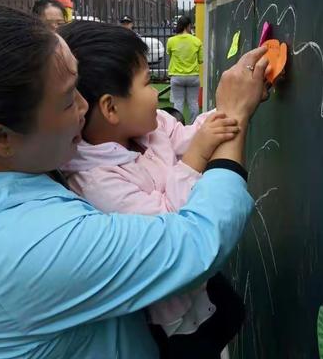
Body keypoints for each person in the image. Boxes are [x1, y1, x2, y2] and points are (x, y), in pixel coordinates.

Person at [0, 4, 268, 358]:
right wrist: (235, 114)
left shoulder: (15, 181)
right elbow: (195, 243)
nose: (83, 108)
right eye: (66, 100)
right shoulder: (20, 246)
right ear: (0, 139)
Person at [59, 21, 248, 358]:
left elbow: (189, 135)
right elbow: (173, 227)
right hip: (172, 320)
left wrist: (228, 107)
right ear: (111, 108)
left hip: (204, 289)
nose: (155, 92)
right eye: (147, 81)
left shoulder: (154, 126)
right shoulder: (96, 183)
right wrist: (195, 158)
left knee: (230, 316)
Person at [166, 16, 203, 124]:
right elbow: (201, 60)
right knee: (193, 103)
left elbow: (169, 54)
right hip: (193, 77)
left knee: (178, 103)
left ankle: (178, 125)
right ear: (188, 26)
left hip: (177, 77)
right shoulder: (197, 41)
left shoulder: (171, 41)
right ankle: (193, 126)